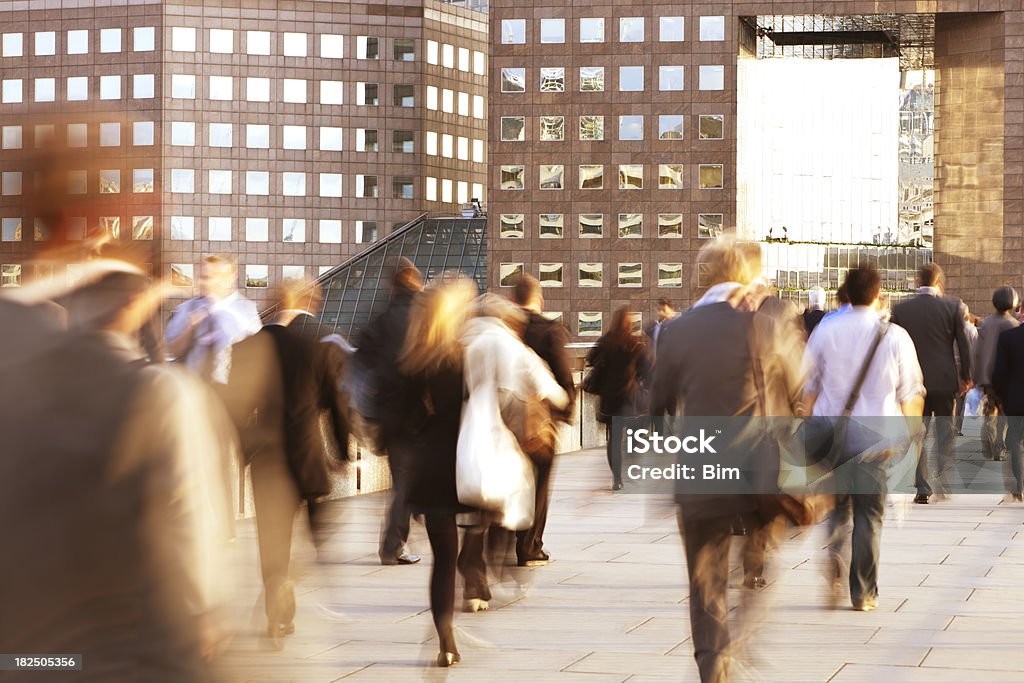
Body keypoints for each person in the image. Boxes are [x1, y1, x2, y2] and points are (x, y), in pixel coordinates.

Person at [1, 265, 237, 681]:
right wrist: (203, 607)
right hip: (129, 627)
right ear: (133, 305)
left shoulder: (17, 386)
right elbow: (189, 510)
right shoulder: (160, 390)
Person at [649, 236, 804, 683]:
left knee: (706, 584)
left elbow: (657, 406)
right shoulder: (765, 327)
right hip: (758, 472)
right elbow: (798, 397)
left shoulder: (675, 330)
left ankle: (714, 666)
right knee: (760, 562)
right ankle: (742, 639)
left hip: (701, 474)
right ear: (743, 276)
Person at [219, 278, 351, 648]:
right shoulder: (314, 347)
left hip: (266, 459)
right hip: (306, 455)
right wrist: (341, 453)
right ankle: (291, 576)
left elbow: (233, 406)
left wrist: (247, 446)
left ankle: (277, 608)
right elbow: (337, 405)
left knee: (270, 539)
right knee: (318, 529)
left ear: (273, 303)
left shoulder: (247, 346)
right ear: (305, 301)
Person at [804, 264, 925, 613]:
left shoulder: (825, 331)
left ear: (846, 293)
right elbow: (911, 393)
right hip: (878, 440)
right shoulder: (895, 336)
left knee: (837, 509)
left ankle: (834, 557)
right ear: (876, 294)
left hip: (832, 435)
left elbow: (808, 389)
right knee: (870, 516)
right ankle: (863, 592)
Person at [456, 293, 570, 612]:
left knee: (472, 507)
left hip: (463, 434)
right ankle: (487, 572)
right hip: (502, 435)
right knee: (498, 501)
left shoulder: (460, 342)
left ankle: (473, 576)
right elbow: (551, 390)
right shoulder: (511, 345)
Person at [397, 276, 477, 667]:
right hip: (461, 463)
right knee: (460, 548)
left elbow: (403, 420)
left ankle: (445, 638)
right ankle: (476, 587)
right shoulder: (462, 356)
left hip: (428, 467)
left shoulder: (412, 361)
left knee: (441, 558)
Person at [354, 257, 424, 566]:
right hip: (420, 413)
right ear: (416, 283)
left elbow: (360, 362)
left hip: (390, 414)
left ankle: (401, 534)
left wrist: (370, 410)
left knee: (403, 478)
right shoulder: (425, 317)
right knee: (408, 483)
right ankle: (393, 544)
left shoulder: (381, 320)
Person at [890, 263, 972, 503]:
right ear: (939, 282)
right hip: (946, 380)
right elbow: (963, 344)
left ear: (918, 281)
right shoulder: (952, 306)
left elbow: (894, 347)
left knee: (917, 434)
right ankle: (943, 477)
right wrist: (966, 375)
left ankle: (922, 487)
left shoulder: (902, 309)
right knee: (946, 431)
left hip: (914, 383)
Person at [511, 275, 576, 567]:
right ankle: (530, 546)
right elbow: (564, 379)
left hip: (505, 418)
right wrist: (564, 412)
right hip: (539, 424)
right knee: (539, 485)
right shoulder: (551, 331)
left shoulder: (507, 329)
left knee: (510, 480)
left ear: (513, 300)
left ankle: (505, 536)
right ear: (540, 300)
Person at [165, 255, 262, 383]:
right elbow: (171, 350)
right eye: (202, 277)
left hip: (230, 391)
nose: (204, 283)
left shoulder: (247, 312)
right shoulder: (187, 308)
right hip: (194, 387)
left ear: (232, 276)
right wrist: (190, 330)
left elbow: (257, 357)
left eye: (211, 277)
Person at [586, 306, 650, 490]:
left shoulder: (605, 341)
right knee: (634, 436)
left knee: (614, 439)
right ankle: (630, 469)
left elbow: (591, 359)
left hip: (610, 399)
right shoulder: (634, 345)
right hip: (630, 399)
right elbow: (646, 369)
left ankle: (617, 478)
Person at [974, 287, 1020, 460]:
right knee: (1003, 415)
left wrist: (977, 375)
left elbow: (977, 351)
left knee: (990, 411)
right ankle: (998, 448)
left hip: (988, 376)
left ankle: (989, 439)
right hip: (1007, 377)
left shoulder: (986, 323)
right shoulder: (1013, 325)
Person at [992, 317, 1024, 501]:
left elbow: (999, 372)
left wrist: (1000, 398)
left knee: (1016, 440)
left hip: (1016, 398)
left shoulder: (1008, 337)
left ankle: (1018, 485)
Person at [954, 306, 979, 435]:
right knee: (960, 399)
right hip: (963, 367)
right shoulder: (971, 329)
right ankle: (956, 427)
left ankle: (947, 426)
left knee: (950, 399)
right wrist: (973, 374)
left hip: (950, 366)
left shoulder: (947, 327)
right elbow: (975, 352)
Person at [644, 298, 679, 363]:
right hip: (653, 365)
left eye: (663, 310)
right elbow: (648, 347)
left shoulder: (674, 327)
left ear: (670, 310)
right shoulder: (652, 327)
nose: (660, 313)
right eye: (659, 310)